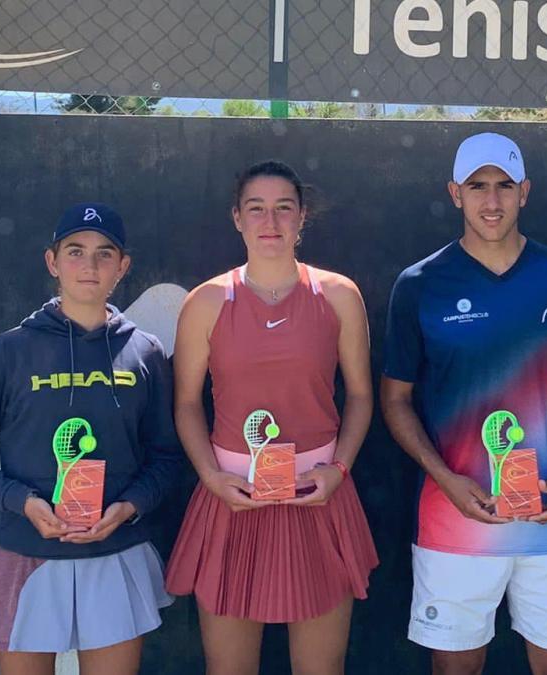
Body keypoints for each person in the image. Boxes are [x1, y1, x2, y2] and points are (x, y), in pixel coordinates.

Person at [380, 132, 547, 675]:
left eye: (504, 185)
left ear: (525, 191)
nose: (492, 200)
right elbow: (395, 400)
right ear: (454, 193)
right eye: (477, 186)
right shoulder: (420, 284)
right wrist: (444, 478)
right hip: (453, 519)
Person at [0, 202, 184, 675]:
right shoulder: (8, 351)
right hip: (25, 551)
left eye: (103, 254)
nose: (89, 266)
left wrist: (129, 506)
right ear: (52, 262)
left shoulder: (145, 352)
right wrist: (23, 502)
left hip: (115, 551)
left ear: (123, 267)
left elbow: (167, 458)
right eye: (75, 251)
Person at [164, 160, 378, 675]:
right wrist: (213, 478)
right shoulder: (207, 302)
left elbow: (362, 397)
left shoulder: (339, 295)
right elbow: (188, 405)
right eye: (256, 209)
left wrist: (338, 470)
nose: (271, 221)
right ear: (236, 218)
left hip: (318, 498)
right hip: (232, 501)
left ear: (302, 218)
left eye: (284, 208)